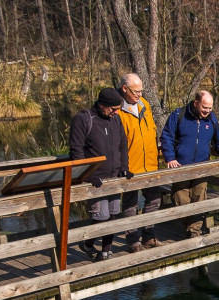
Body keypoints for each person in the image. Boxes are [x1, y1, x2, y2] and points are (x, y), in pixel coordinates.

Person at [160, 90, 219, 238]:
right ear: (196, 103)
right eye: (204, 107)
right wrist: (170, 158)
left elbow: (218, 139)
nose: (207, 111)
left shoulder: (211, 119)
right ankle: (191, 229)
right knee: (181, 199)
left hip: (201, 167)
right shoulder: (178, 115)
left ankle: (194, 233)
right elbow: (167, 137)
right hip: (180, 167)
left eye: (210, 108)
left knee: (199, 199)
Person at [69, 87, 129, 261]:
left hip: (115, 175)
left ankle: (105, 250)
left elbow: (122, 145)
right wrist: (86, 174)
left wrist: (124, 166)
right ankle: (88, 244)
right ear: (102, 105)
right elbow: (77, 150)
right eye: (113, 109)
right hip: (96, 178)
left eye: (118, 109)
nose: (116, 113)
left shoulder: (116, 119)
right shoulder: (83, 119)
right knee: (101, 216)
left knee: (113, 213)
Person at [117, 73, 164, 253]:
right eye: (136, 91)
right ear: (124, 89)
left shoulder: (145, 104)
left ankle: (149, 235)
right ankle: (133, 241)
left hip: (149, 164)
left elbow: (151, 131)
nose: (139, 94)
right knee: (130, 204)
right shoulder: (117, 109)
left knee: (154, 199)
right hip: (130, 166)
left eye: (141, 90)